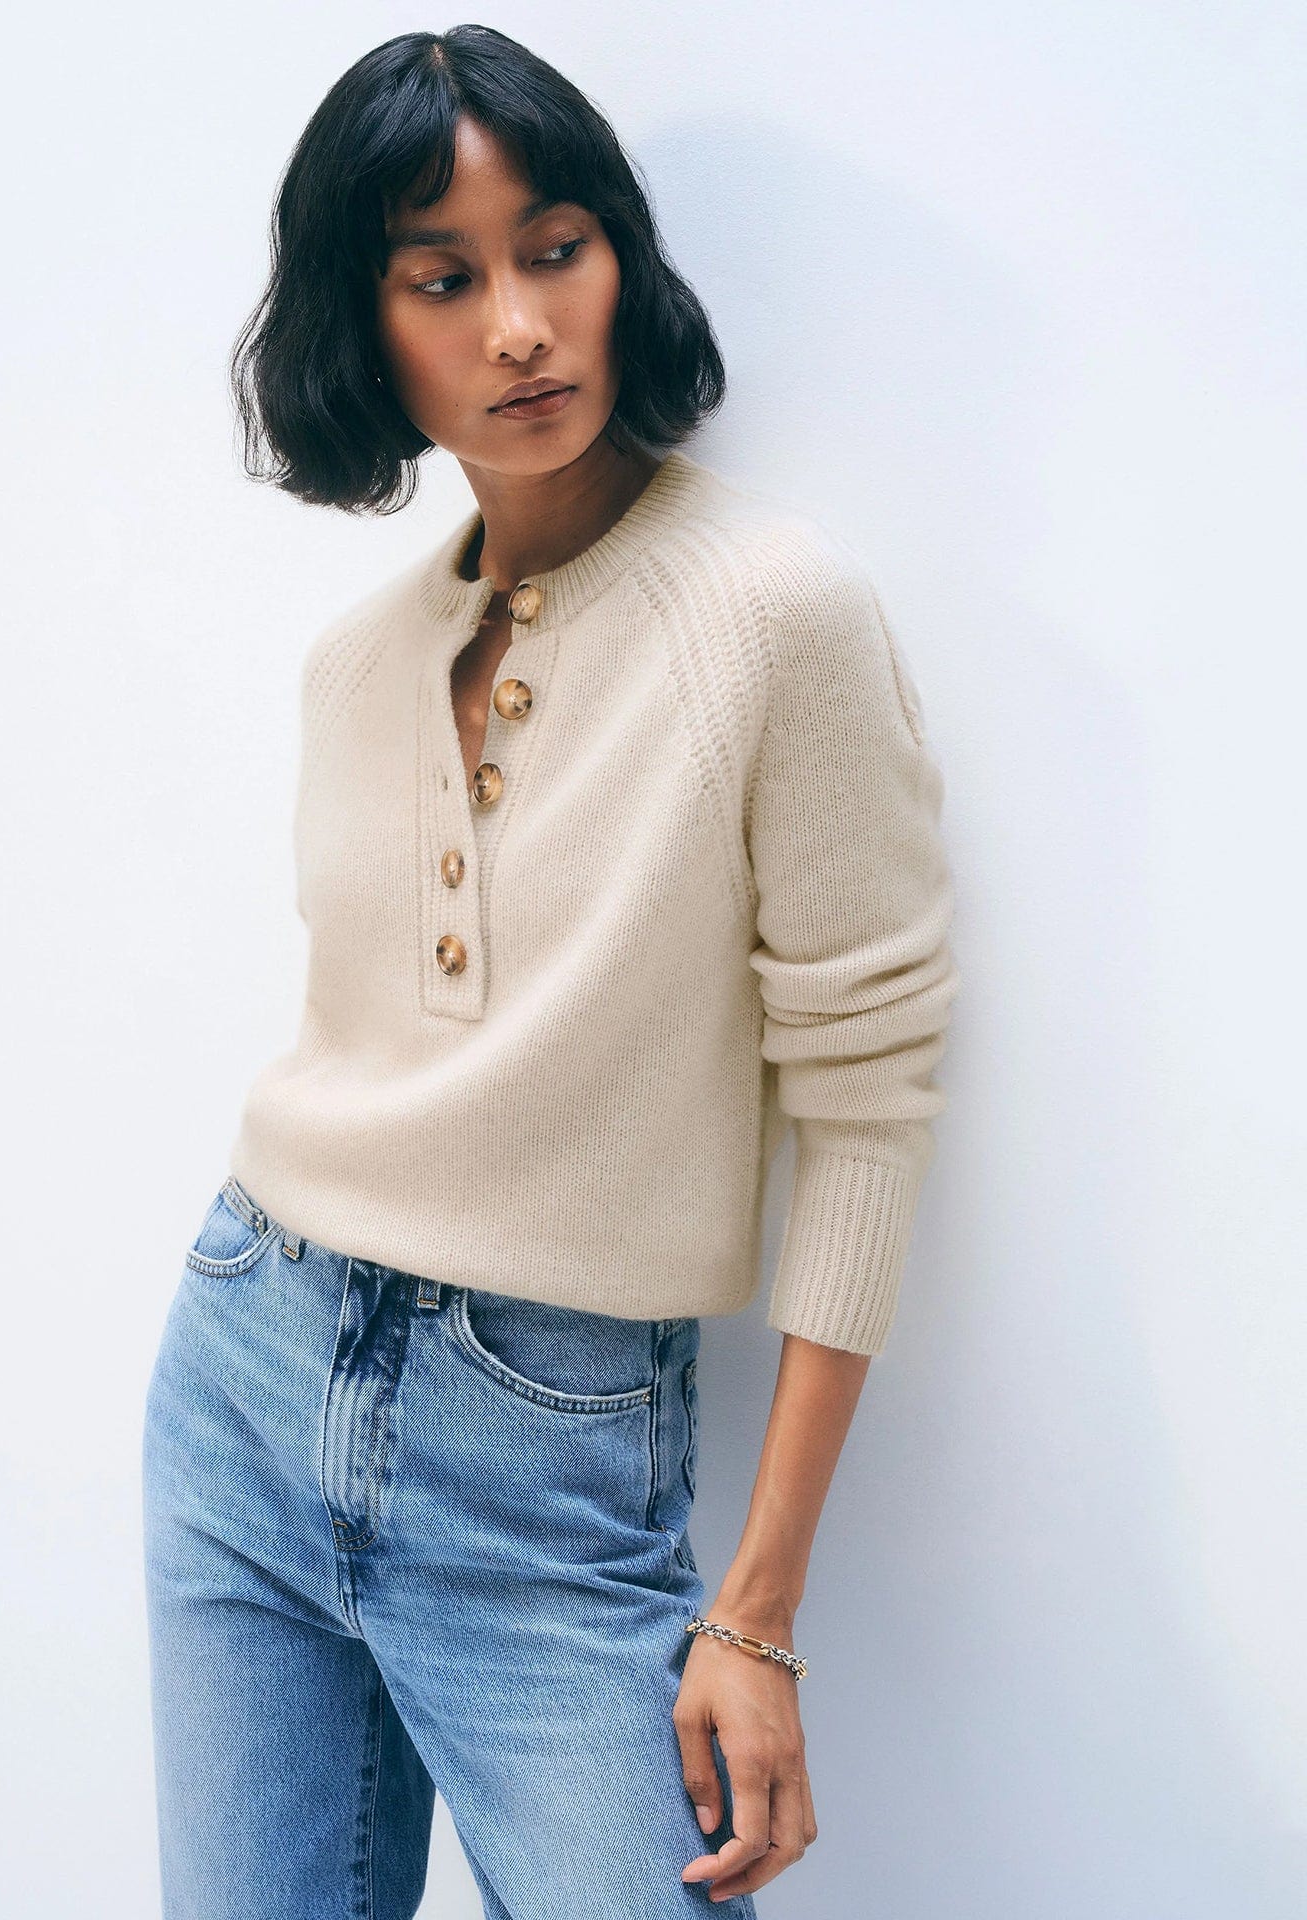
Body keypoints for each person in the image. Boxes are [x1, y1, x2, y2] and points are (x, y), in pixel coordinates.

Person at [141, 24, 961, 1919]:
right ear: (378, 332)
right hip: (246, 1373)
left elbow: (865, 1105)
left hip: (552, 1461)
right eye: (443, 276)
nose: (516, 323)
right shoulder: (351, 665)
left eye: (557, 247)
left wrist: (756, 1614)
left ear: (624, 264)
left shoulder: (777, 616)